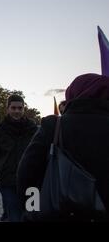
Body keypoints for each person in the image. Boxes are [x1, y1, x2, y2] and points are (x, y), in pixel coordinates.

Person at [17, 73, 109, 221]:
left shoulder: (54, 126)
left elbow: (27, 174)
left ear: (73, 93)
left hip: (60, 213)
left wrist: (31, 209)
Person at [0, 94, 38, 222]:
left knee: (33, 217)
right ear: (8, 109)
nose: (17, 111)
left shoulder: (34, 130)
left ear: (24, 109)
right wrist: (3, 168)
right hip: (8, 183)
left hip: (32, 183)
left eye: (20, 108)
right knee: (14, 217)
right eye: (13, 108)